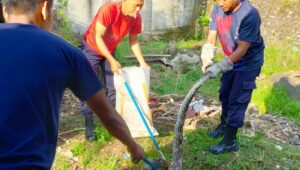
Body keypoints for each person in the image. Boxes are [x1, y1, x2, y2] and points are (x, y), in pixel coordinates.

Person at [0, 0, 145, 169]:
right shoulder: (65, 53)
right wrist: (133, 146)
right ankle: (89, 128)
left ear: (4, 11)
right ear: (45, 8)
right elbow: (108, 115)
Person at [200, 0, 264, 154]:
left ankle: (230, 141)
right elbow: (212, 36)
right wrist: (207, 57)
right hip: (230, 59)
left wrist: (221, 66)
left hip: (248, 63)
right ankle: (224, 126)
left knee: (237, 99)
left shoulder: (250, 15)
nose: (220, 2)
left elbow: (242, 49)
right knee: (225, 94)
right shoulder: (218, 9)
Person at [81, 0, 150, 141]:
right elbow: (98, 37)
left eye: (141, 6)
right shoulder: (109, 9)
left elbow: (133, 41)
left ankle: (113, 123)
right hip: (92, 48)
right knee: (89, 86)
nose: (138, 10)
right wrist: (111, 60)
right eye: (136, 5)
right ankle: (89, 124)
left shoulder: (136, 17)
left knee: (113, 88)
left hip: (110, 50)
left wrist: (143, 63)